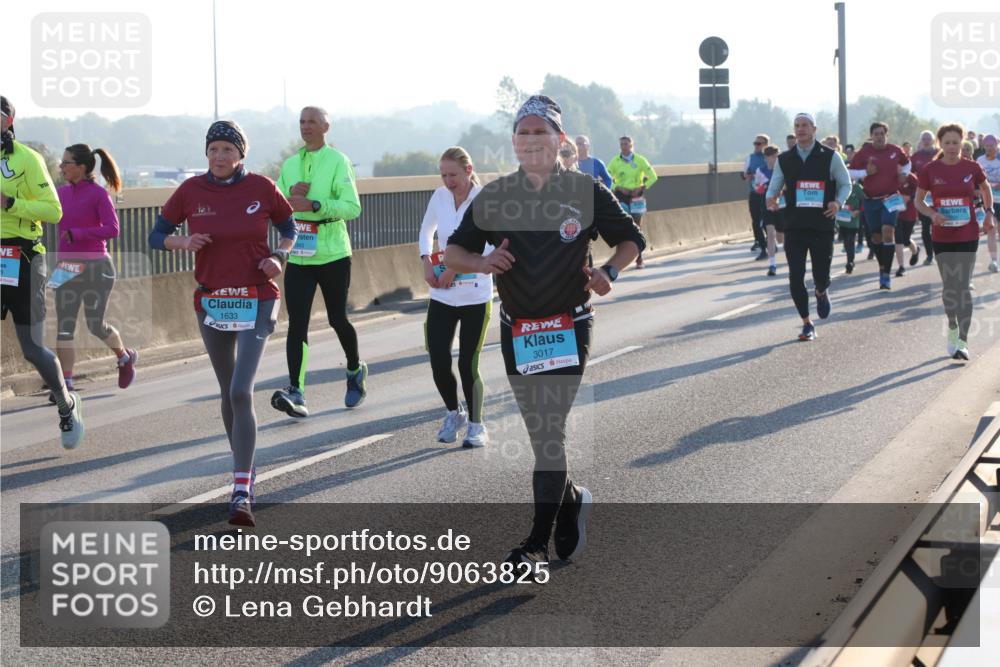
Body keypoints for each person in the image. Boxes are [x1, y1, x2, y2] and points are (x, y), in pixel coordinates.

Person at [445, 95, 644, 574]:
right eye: (524, 133)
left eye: (541, 132)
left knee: (549, 432)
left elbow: (632, 238)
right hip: (519, 331)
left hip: (569, 326)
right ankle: (571, 498)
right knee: (542, 435)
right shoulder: (494, 196)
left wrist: (610, 272)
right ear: (514, 143)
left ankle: (535, 543)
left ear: (558, 140)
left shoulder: (586, 190)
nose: (532, 140)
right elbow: (453, 252)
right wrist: (482, 261)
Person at [149, 120, 297, 526]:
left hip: (257, 296)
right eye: (213, 149)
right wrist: (183, 241)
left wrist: (279, 257)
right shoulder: (191, 191)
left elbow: (289, 228)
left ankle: (241, 489)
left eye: (227, 151)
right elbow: (156, 235)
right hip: (212, 300)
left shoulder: (263, 188)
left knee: (240, 390)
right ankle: (243, 470)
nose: (219, 157)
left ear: (241, 155)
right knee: (226, 389)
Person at [270, 107, 365, 419]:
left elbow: (352, 207)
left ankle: (354, 370)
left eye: (312, 121)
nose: (305, 126)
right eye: (301, 121)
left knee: (338, 319)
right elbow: (275, 208)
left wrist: (314, 204)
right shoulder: (290, 164)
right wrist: (288, 197)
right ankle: (296, 391)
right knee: (297, 324)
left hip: (333, 253)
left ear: (326, 126)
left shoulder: (338, 161)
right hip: (299, 253)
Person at [0, 95, 83, 449]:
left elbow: (54, 211)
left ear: (9, 120)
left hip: (22, 257)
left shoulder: (27, 160)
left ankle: (66, 404)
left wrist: (10, 203)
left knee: (32, 348)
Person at [418, 147, 492, 448]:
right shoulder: (439, 197)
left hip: (475, 292)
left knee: (467, 364)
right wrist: (426, 259)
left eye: (453, 175)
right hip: (442, 295)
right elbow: (426, 231)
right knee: (437, 359)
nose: (448, 181)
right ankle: (454, 413)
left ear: (469, 170)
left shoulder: (485, 200)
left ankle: (477, 425)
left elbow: (490, 246)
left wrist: (454, 266)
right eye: (444, 175)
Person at [52, 144, 137, 402]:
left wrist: (78, 234)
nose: (61, 167)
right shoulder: (59, 193)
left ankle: (124, 357)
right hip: (66, 266)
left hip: (97, 267)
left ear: (81, 167)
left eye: (66, 163)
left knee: (94, 324)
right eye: (62, 162)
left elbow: (113, 229)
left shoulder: (99, 195)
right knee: (63, 326)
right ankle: (65, 384)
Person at [766, 112, 852, 341]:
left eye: (805, 125)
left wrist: (837, 202)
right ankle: (807, 323)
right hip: (794, 225)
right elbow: (774, 185)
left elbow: (845, 184)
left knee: (821, 275)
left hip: (822, 224)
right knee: (795, 277)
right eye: (797, 125)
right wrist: (771, 197)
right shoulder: (785, 159)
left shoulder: (830, 156)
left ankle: (821, 291)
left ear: (814, 129)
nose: (801, 129)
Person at [915, 123, 994, 360]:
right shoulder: (930, 169)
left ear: (962, 144)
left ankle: (963, 341)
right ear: (941, 144)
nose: (951, 147)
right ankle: (952, 326)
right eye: (947, 143)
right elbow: (919, 201)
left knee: (963, 287)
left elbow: (985, 187)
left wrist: (989, 212)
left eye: (955, 143)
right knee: (950, 288)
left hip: (968, 233)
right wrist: (932, 214)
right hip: (942, 235)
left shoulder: (972, 166)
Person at [847, 122, 911, 289]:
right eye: (876, 133)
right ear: (871, 136)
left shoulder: (895, 150)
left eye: (882, 133)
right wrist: (866, 173)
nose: (879, 136)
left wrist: (904, 174)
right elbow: (850, 173)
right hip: (871, 200)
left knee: (887, 232)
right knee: (876, 237)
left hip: (890, 198)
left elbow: (907, 163)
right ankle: (882, 266)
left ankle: (886, 275)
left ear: (886, 135)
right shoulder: (864, 153)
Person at [608, 135, 657, 268]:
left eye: (627, 144)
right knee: (623, 225)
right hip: (621, 196)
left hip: (637, 197)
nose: (624, 147)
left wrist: (642, 187)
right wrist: (616, 187)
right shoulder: (615, 161)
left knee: (637, 225)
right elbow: (607, 178)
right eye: (622, 144)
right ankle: (620, 257)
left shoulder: (640, 160)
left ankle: (639, 257)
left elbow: (653, 176)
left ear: (632, 145)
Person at [753, 144, 783, 275]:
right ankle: (772, 265)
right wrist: (762, 187)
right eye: (774, 157)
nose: (776, 159)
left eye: (777, 156)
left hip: (781, 206)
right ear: (766, 157)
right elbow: (756, 187)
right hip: (767, 205)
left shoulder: (782, 170)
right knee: (770, 233)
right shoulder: (760, 171)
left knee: (781, 237)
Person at [910, 131, 939, 266]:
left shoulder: (939, 153)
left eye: (928, 139)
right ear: (921, 141)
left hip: (939, 194)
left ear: (933, 140)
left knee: (939, 224)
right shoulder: (916, 156)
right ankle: (929, 255)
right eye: (924, 139)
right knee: (925, 226)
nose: (926, 141)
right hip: (923, 195)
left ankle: (940, 251)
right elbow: (910, 173)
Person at [742, 135, 770, 258]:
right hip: (755, 193)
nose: (756, 146)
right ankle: (763, 248)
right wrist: (747, 175)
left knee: (767, 221)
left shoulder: (772, 157)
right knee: (756, 221)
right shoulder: (750, 158)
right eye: (755, 143)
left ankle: (770, 240)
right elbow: (743, 176)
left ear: (765, 145)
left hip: (768, 194)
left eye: (759, 143)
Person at [975, 134, 1000, 273]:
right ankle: (994, 261)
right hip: (988, 200)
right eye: (987, 146)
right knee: (991, 229)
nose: (990, 148)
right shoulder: (980, 160)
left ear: (997, 145)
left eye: (992, 145)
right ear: (983, 146)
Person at [894, 170, 921, 275]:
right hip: (895, 212)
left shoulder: (911, 177)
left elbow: (920, 192)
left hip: (909, 213)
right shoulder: (890, 176)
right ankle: (901, 267)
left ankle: (915, 251)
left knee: (905, 240)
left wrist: (909, 197)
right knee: (898, 238)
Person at [838, 180, 865, 274]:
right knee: (846, 241)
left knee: (850, 240)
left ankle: (850, 262)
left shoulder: (857, 187)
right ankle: (850, 260)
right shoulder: (839, 185)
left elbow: (864, 200)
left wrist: (858, 211)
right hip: (842, 219)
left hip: (853, 220)